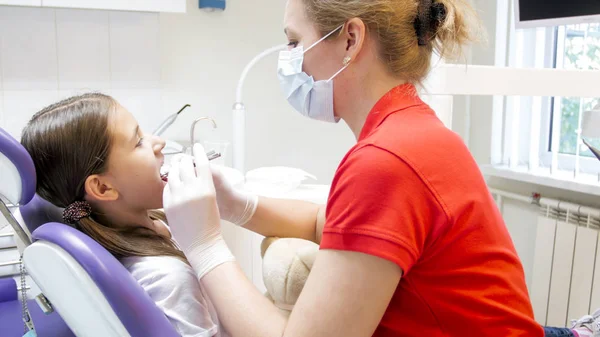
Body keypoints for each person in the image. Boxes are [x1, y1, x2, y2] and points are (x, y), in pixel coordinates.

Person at [162, 0, 545, 336]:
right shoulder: (409, 130)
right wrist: (235, 205)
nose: (289, 58)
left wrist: (205, 247)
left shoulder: (388, 159)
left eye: (295, 42)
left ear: (351, 39)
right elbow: (323, 223)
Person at [21, 93, 225, 337]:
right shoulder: (168, 278)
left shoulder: (144, 228)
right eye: (138, 142)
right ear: (103, 188)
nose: (158, 142)